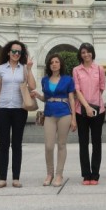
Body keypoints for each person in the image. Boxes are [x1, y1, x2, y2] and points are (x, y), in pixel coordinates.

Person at [0, 39, 37, 188]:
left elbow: (33, 87)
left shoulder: (24, 68)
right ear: (8, 52)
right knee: (3, 144)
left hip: (19, 109)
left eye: (19, 52)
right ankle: (2, 178)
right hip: (3, 108)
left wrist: (29, 69)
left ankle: (16, 177)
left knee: (17, 144)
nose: (16, 54)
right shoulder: (0, 69)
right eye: (14, 51)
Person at [33, 53, 76, 187]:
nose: (54, 64)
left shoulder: (68, 79)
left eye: (57, 62)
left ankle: (59, 174)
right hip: (49, 114)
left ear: (61, 64)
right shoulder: (45, 80)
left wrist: (74, 118)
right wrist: (38, 96)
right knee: (49, 146)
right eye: (51, 62)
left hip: (64, 113)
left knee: (62, 144)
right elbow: (46, 98)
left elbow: (71, 99)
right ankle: (49, 173)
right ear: (49, 65)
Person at [72, 42, 106, 185]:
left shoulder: (99, 69)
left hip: (99, 110)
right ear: (80, 55)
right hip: (82, 111)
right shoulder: (76, 70)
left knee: (97, 143)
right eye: (83, 52)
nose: (86, 55)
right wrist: (87, 106)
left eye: (88, 52)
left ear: (92, 53)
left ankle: (95, 174)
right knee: (83, 143)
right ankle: (86, 175)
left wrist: (94, 105)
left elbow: (102, 87)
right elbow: (77, 90)